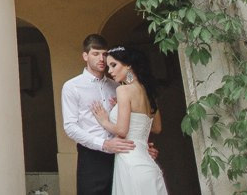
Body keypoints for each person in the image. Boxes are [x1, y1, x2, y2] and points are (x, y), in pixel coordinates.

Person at [61, 34, 137, 195]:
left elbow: (132, 115)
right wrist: (103, 144)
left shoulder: (117, 85)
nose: (101, 59)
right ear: (85, 56)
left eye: (104, 54)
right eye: (95, 54)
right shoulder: (72, 86)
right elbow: (70, 127)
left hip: (121, 155)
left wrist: (141, 144)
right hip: (91, 157)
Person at [91, 46, 169, 195]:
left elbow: (122, 130)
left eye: (114, 65)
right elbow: (156, 127)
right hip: (147, 163)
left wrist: (104, 120)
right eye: (108, 66)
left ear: (128, 65)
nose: (110, 71)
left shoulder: (123, 90)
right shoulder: (148, 91)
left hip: (130, 162)